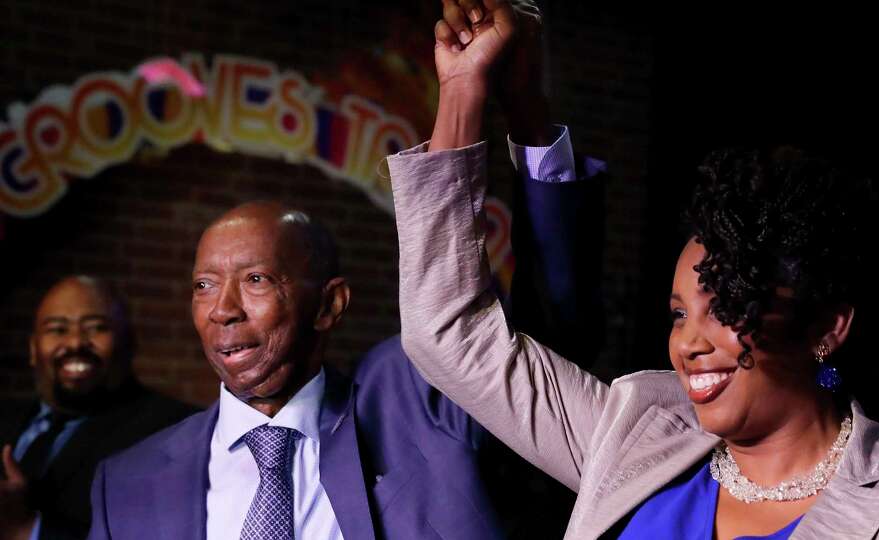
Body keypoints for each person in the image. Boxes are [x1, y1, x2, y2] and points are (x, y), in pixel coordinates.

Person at [386, 1, 879, 538]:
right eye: (679, 313)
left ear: (827, 327)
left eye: (727, 305)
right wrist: (463, 88)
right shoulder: (633, 437)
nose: (687, 342)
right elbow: (448, 333)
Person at [87, 4, 605, 538]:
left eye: (257, 280)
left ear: (331, 304)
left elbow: (550, 332)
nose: (223, 310)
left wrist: (516, 108)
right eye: (204, 285)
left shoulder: (414, 404)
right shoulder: (124, 483)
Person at [0, 276, 196, 540]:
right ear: (33, 349)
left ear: (129, 343)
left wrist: (26, 529)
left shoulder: (177, 431)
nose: (75, 343)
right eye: (57, 329)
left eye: (96, 328)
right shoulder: (6, 421)